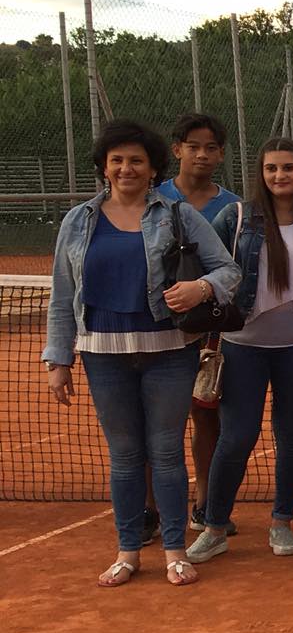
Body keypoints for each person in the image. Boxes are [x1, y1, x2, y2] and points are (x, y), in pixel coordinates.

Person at [43, 120, 238, 587]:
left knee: (167, 453)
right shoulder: (79, 220)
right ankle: (128, 551)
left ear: (153, 168)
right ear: (104, 168)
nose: (126, 168)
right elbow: (62, 292)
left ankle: (174, 551)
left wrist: (199, 287)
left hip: (169, 351)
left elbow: (228, 271)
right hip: (102, 354)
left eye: (136, 160)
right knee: (126, 455)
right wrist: (58, 359)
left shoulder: (177, 214)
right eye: (117, 160)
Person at [186, 139, 293, 564]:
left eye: (288, 168)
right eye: (272, 169)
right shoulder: (234, 217)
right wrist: (207, 331)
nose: (280, 176)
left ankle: (281, 523)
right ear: (261, 173)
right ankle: (215, 526)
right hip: (242, 350)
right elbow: (208, 271)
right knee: (236, 437)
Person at [158, 112, 241, 534]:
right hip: (157, 331)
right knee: (159, 419)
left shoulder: (234, 206)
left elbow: (233, 270)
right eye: (193, 146)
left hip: (213, 331)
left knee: (207, 416)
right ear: (177, 151)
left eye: (211, 147)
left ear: (221, 154)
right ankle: (151, 507)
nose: (202, 154)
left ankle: (206, 500)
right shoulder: (152, 199)